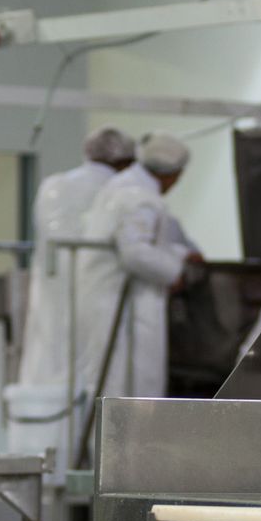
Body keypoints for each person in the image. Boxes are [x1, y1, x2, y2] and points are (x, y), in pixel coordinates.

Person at [9, 128, 137, 468]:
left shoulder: (55, 186)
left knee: (51, 377)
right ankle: (97, 465)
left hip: (53, 299)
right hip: (102, 302)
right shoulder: (123, 191)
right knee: (102, 381)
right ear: (126, 160)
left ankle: (50, 463)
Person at [72, 131, 203, 399]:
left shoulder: (121, 187)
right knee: (129, 385)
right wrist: (174, 273)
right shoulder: (138, 197)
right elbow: (135, 251)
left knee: (113, 383)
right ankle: (130, 441)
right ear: (171, 174)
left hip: (106, 300)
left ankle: (119, 438)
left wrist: (178, 253)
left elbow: (135, 239)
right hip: (124, 305)